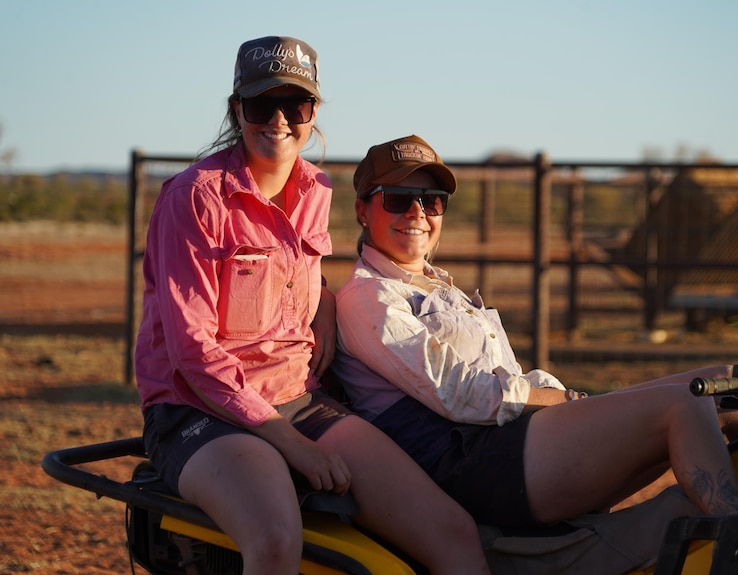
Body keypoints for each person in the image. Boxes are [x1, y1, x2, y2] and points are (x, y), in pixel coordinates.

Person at [134, 41, 490, 575]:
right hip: (200, 409)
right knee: (277, 542)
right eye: (261, 105)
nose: (278, 120)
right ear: (237, 111)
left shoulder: (316, 188)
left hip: (297, 398)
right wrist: (290, 444)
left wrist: (321, 294)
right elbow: (192, 350)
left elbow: (284, 267)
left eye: (295, 106)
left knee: (453, 534)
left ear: (314, 113)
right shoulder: (195, 198)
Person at [333, 134, 738, 529]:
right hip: (472, 463)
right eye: (396, 198)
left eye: (431, 201)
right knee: (684, 404)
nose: (417, 212)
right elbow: (459, 395)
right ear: (361, 209)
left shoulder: (438, 285)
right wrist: (565, 400)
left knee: (736, 384)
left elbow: (501, 382)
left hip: (512, 441)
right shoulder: (369, 297)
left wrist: (569, 399)